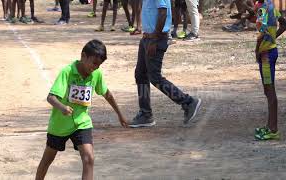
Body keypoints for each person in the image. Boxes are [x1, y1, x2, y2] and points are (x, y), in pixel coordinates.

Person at [35, 39, 128, 180]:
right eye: (94, 63)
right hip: (60, 125)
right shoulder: (67, 72)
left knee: (89, 158)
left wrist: (120, 114)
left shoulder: (96, 74)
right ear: (83, 56)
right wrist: (62, 107)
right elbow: (51, 97)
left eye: (99, 65)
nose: (95, 67)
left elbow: (107, 94)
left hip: (82, 123)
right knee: (47, 160)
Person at [129, 0, 202, 128]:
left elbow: (163, 12)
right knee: (140, 74)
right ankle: (145, 114)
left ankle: (188, 102)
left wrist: (155, 40)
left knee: (155, 77)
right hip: (147, 38)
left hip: (155, 38)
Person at [254, 0, 285, 140]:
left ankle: (273, 129)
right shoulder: (271, 6)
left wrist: (257, 51)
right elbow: (283, 24)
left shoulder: (262, 9)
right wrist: (272, 39)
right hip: (271, 51)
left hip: (266, 55)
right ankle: (270, 125)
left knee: (270, 90)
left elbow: (261, 34)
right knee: (268, 90)